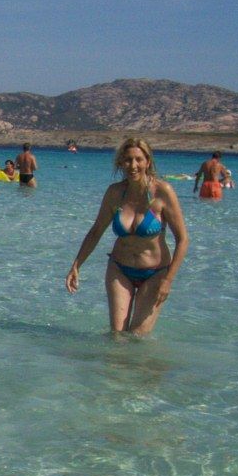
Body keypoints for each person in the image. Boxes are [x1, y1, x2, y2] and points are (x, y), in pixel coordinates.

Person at [65, 137, 189, 336]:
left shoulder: (162, 192)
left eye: (138, 159)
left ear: (148, 161)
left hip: (155, 273)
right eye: (128, 160)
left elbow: (182, 239)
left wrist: (168, 280)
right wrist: (76, 265)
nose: (133, 165)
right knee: (117, 337)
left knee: (138, 337)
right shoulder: (115, 193)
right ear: (121, 163)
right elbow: (96, 230)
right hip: (119, 269)